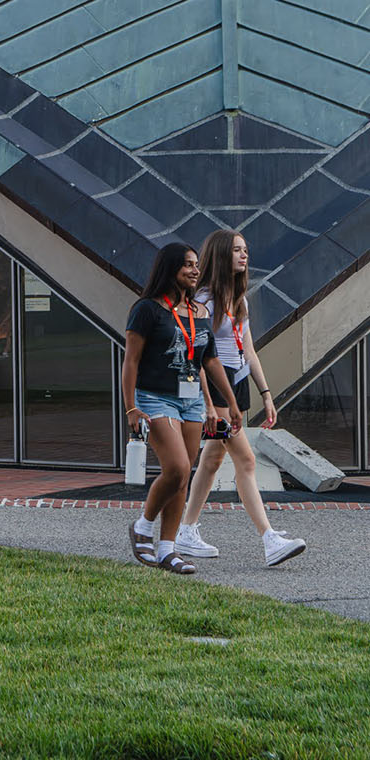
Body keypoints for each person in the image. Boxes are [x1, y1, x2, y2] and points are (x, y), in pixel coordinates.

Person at [176, 230, 306, 566]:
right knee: (246, 461)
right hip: (217, 389)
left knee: (213, 459)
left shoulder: (240, 298)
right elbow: (198, 356)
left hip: (238, 384)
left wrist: (266, 394)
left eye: (246, 250)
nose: (244, 255)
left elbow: (247, 350)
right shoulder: (203, 301)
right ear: (221, 255)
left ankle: (186, 530)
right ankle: (269, 539)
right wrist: (206, 403)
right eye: (236, 250)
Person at [122, 243, 243, 574]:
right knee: (175, 468)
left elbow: (210, 361)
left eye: (196, 265)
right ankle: (143, 526)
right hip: (153, 398)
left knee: (182, 477)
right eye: (187, 265)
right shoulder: (147, 309)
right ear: (170, 268)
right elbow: (131, 360)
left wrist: (228, 404)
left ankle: (167, 550)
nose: (194, 270)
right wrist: (131, 407)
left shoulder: (199, 314)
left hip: (190, 401)